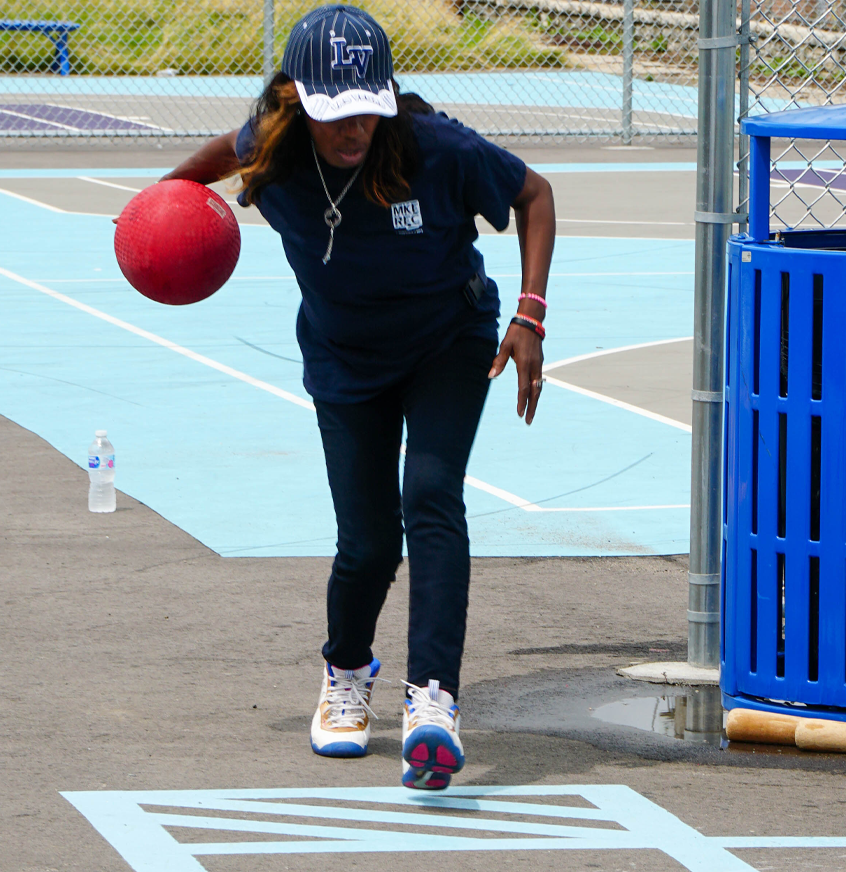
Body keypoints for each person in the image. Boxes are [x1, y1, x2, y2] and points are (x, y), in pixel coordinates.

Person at [159, 3, 555, 789]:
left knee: (432, 495)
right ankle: (346, 671)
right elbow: (202, 169)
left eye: (366, 109)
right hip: (345, 357)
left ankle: (433, 699)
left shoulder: (435, 148)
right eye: (334, 113)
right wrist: (158, 209)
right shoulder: (269, 146)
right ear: (296, 100)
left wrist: (530, 316)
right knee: (369, 542)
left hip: (448, 340)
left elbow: (534, 194)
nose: (353, 129)